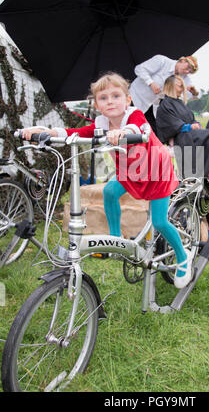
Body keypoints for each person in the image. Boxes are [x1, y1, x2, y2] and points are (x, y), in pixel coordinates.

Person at [21, 72, 194, 289]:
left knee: (159, 221)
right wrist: (46, 131)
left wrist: (122, 132)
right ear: (96, 104)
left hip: (156, 170)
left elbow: (137, 128)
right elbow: (73, 132)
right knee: (110, 192)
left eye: (115, 96)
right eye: (103, 98)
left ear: (128, 99)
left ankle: (182, 257)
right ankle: (116, 239)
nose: (110, 101)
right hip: (131, 172)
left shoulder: (134, 115)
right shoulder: (101, 123)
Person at [156, 75, 209, 188]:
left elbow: (191, 119)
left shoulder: (180, 103)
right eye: (179, 86)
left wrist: (197, 124)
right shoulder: (164, 105)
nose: (182, 89)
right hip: (180, 138)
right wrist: (190, 127)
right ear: (171, 86)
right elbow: (171, 126)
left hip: (190, 134)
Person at [129, 54, 199, 134]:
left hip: (150, 106)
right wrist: (151, 83)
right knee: (127, 126)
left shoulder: (184, 77)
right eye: (188, 67)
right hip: (135, 97)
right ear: (183, 60)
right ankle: (118, 143)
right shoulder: (162, 61)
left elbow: (189, 96)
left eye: (190, 72)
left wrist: (194, 93)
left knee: (153, 133)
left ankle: (153, 145)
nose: (187, 72)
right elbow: (139, 69)